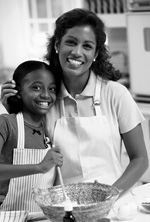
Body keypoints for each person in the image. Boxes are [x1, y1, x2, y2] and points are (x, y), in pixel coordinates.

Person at [1, 8, 148, 196]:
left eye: (87, 46)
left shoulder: (115, 94)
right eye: (71, 42)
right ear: (57, 45)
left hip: (112, 203)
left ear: (96, 53)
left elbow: (140, 159)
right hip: (61, 205)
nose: (77, 52)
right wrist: (14, 114)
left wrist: (110, 195)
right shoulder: (44, 99)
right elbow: (22, 153)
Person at [0, 60, 63, 211]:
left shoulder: (49, 129)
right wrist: (39, 167)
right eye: (36, 87)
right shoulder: (6, 123)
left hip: (42, 216)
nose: (46, 95)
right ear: (18, 91)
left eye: (52, 89)